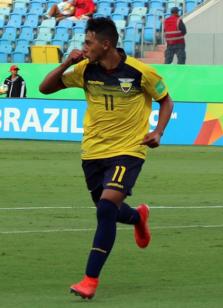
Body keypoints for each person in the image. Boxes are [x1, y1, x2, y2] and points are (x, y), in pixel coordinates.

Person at [39, 17, 174, 299]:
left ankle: (90, 279)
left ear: (106, 44)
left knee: (104, 209)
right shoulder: (85, 70)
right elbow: (45, 88)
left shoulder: (140, 72)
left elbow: (166, 100)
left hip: (129, 150)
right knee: (108, 209)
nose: (84, 47)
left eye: (88, 42)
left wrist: (158, 131)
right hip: (93, 152)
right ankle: (137, 216)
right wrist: (67, 63)